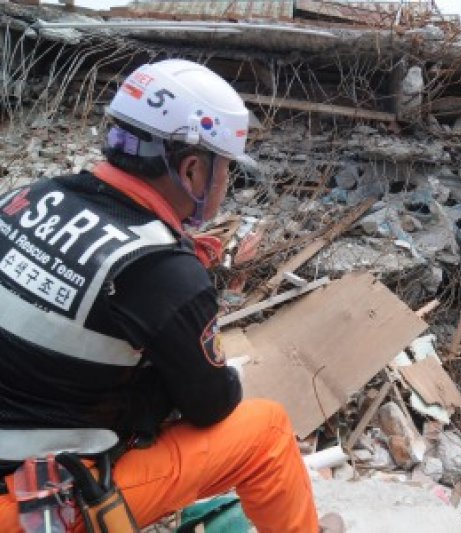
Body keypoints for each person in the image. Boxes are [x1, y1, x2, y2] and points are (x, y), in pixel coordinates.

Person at [0, 59, 324, 532]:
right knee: (267, 432)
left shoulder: (25, 199)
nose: (225, 182)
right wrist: (185, 300)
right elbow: (211, 405)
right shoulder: (162, 272)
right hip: (28, 503)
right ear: (193, 169)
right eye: (225, 169)